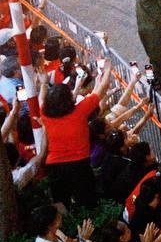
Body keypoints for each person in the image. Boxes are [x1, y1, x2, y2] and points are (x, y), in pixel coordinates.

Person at [41, 63, 113, 209]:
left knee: (61, 204)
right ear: (68, 100)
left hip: (54, 166)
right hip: (79, 164)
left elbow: (42, 98)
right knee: (87, 202)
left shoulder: (45, 113)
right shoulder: (80, 111)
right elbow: (103, 87)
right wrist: (107, 69)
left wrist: (43, 83)